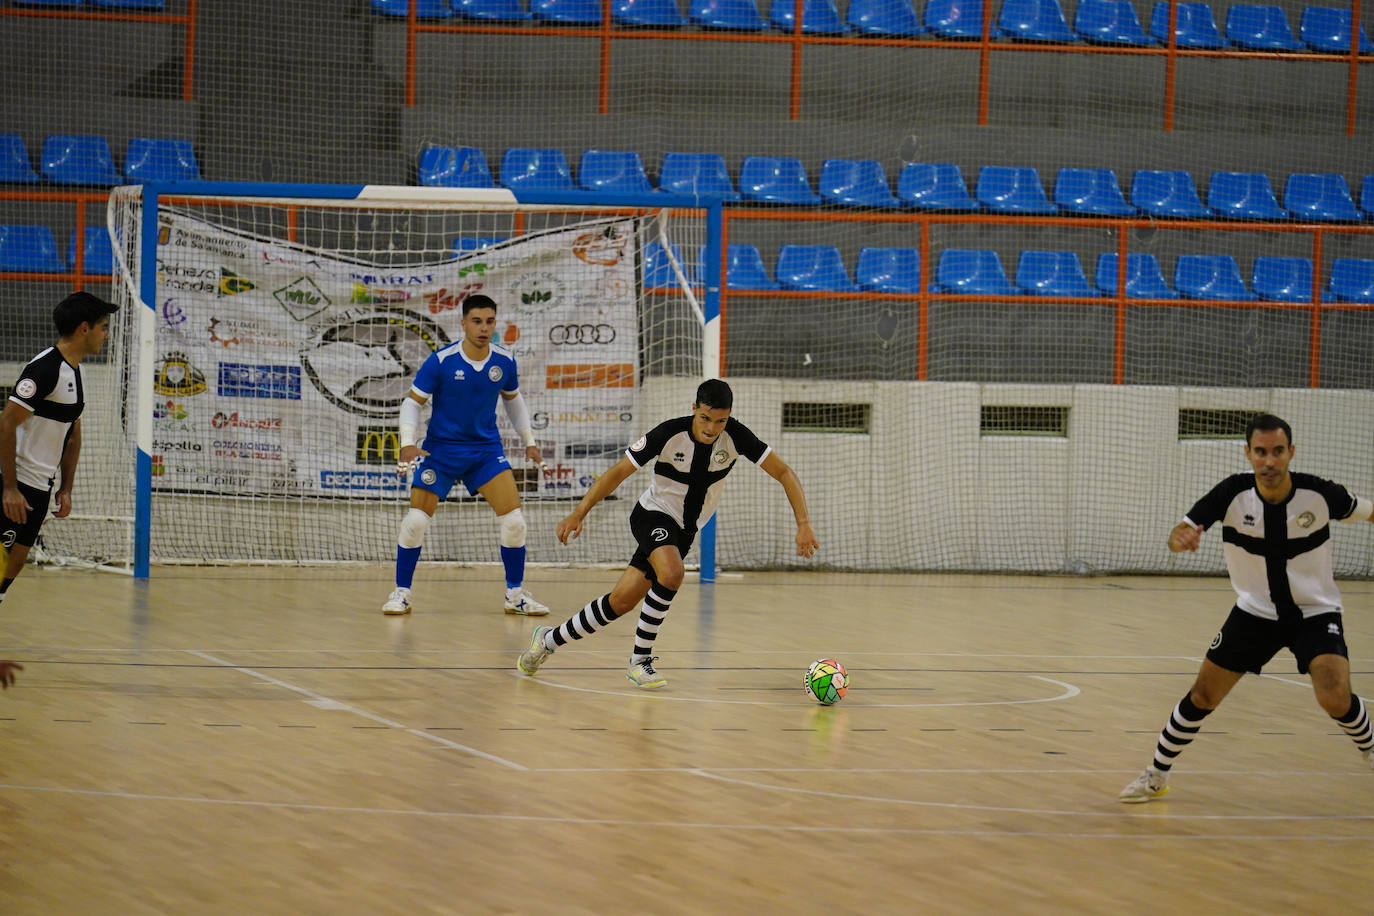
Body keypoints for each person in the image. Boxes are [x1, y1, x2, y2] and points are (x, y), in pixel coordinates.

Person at [1119, 413, 1374, 803]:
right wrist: (1181, 537)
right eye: (1260, 452)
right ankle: (1156, 775)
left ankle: (1370, 750)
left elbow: (1369, 510)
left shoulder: (1322, 496)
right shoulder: (1231, 494)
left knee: (1334, 695)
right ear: (1248, 454)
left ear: (1291, 452)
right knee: (1202, 696)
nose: (1269, 461)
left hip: (1315, 612)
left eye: (1277, 451)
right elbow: (1178, 533)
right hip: (1255, 613)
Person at [517, 378, 818, 689]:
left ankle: (548, 641)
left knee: (620, 602)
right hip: (652, 515)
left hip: (684, 532)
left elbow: (784, 472)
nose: (712, 428)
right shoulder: (668, 433)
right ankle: (639, 661)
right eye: (705, 418)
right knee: (673, 574)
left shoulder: (737, 437)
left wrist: (804, 523)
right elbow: (618, 471)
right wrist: (579, 513)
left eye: (720, 421)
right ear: (694, 410)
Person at [381, 294, 548, 617]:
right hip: (440, 451)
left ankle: (515, 595)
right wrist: (407, 442)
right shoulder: (442, 361)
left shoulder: (504, 361)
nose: (484, 328)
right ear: (463, 324)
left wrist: (528, 439)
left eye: (489, 321)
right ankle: (401, 592)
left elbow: (514, 400)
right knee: (415, 522)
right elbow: (412, 403)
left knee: (515, 523)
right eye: (476, 321)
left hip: (485, 453)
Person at [2, 291, 118, 613]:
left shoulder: (76, 371)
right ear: (84, 328)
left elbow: (72, 434)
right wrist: (9, 488)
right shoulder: (45, 368)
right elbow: (5, 425)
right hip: (17, 484)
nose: (106, 335)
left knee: (13, 565)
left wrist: (66, 487)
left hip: (41, 487)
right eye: (103, 327)